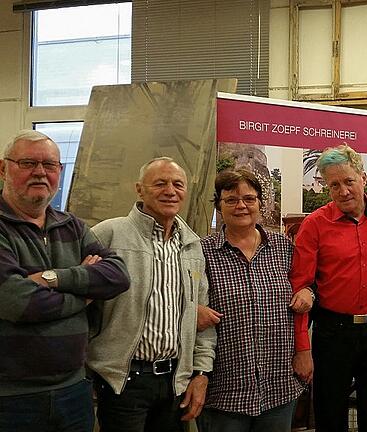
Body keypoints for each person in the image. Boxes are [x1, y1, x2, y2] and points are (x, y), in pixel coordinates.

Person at [0, 130, 130, 432]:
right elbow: (17, 302)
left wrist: (53, 278)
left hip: (73, 390)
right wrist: (84, 295)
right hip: (11, 398)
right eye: (28, 163)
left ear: (60, 171)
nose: (40, 173)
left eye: (50, 165)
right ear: (4, 168)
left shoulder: (71, 225)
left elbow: (117, 276)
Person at [87, 157, 217, 432]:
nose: (170, 191)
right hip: (122, 382)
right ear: (139, 189)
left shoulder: (192, 245)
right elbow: (79, 302)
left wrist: (201, 372)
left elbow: (204, 317)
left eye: (177, 184)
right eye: (160, 183)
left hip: (174, 383)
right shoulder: (108, 234)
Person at [290, 144, 367, 432]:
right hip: (332, 333)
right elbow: (300, 286)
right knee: (329, 416)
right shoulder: (314, 225)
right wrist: (302, 347)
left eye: (349, 181)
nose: (343, 191)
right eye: (334, 185)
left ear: (363, 177)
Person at [196, 169, 305, 432]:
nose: (241, 205)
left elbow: (308, 287)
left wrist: (309, 293)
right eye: (231, 200)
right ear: (219, 206)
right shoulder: (202, 251)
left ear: (259, 203)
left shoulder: (283, 247)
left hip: (278, 387)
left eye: (249, 198)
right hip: (225, 391)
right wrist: (190, 310)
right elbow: (177, 298)